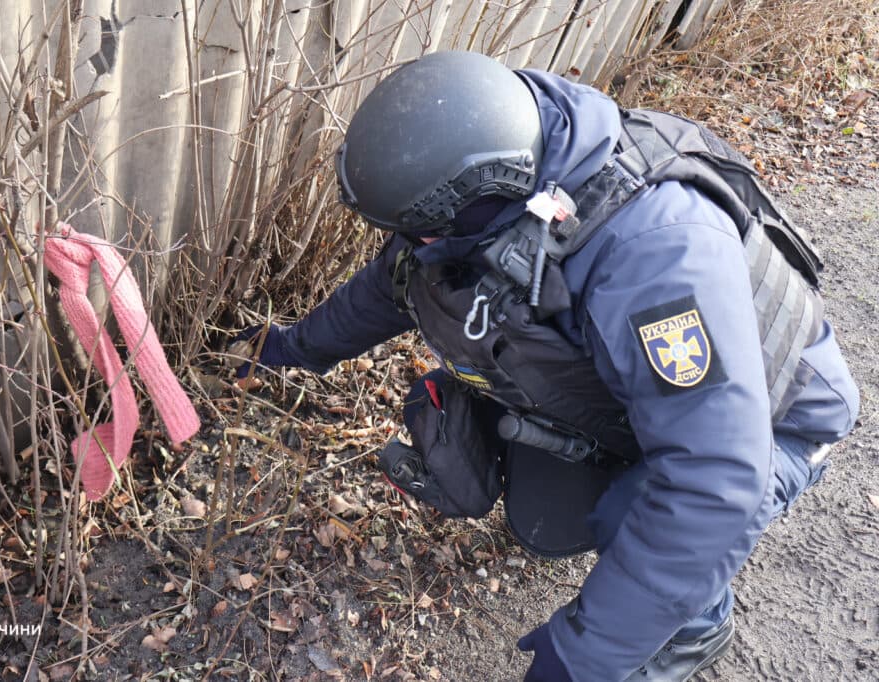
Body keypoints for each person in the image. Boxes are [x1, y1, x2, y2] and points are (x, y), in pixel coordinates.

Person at [233, 51, 859, 681]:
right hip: (642, 398)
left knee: (631, 511)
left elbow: (713, 482)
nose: (412, 243)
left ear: (482, 193)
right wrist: (287, 349)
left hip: (777, 426)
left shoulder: (657, 258)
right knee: (537, 498)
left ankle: (696, 628)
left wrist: (579, 655)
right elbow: (390, 283)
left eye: (418, 230)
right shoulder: (493, 173)